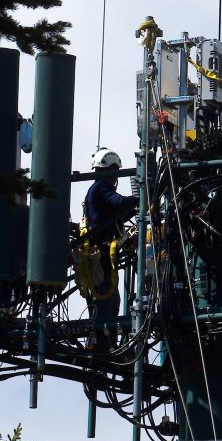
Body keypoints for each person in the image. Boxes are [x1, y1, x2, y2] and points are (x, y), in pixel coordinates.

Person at [82, 147, 138, 347]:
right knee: (107, 302)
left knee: (111, 301)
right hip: (101, 254)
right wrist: (138, 200)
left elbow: (118, 213)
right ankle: (102, 346)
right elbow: (119, 202)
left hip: (102, 255)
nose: (116, 177)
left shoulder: (98, 190)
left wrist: (134, 207)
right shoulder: (101, 188)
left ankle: (105, 344)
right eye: (114, 171)